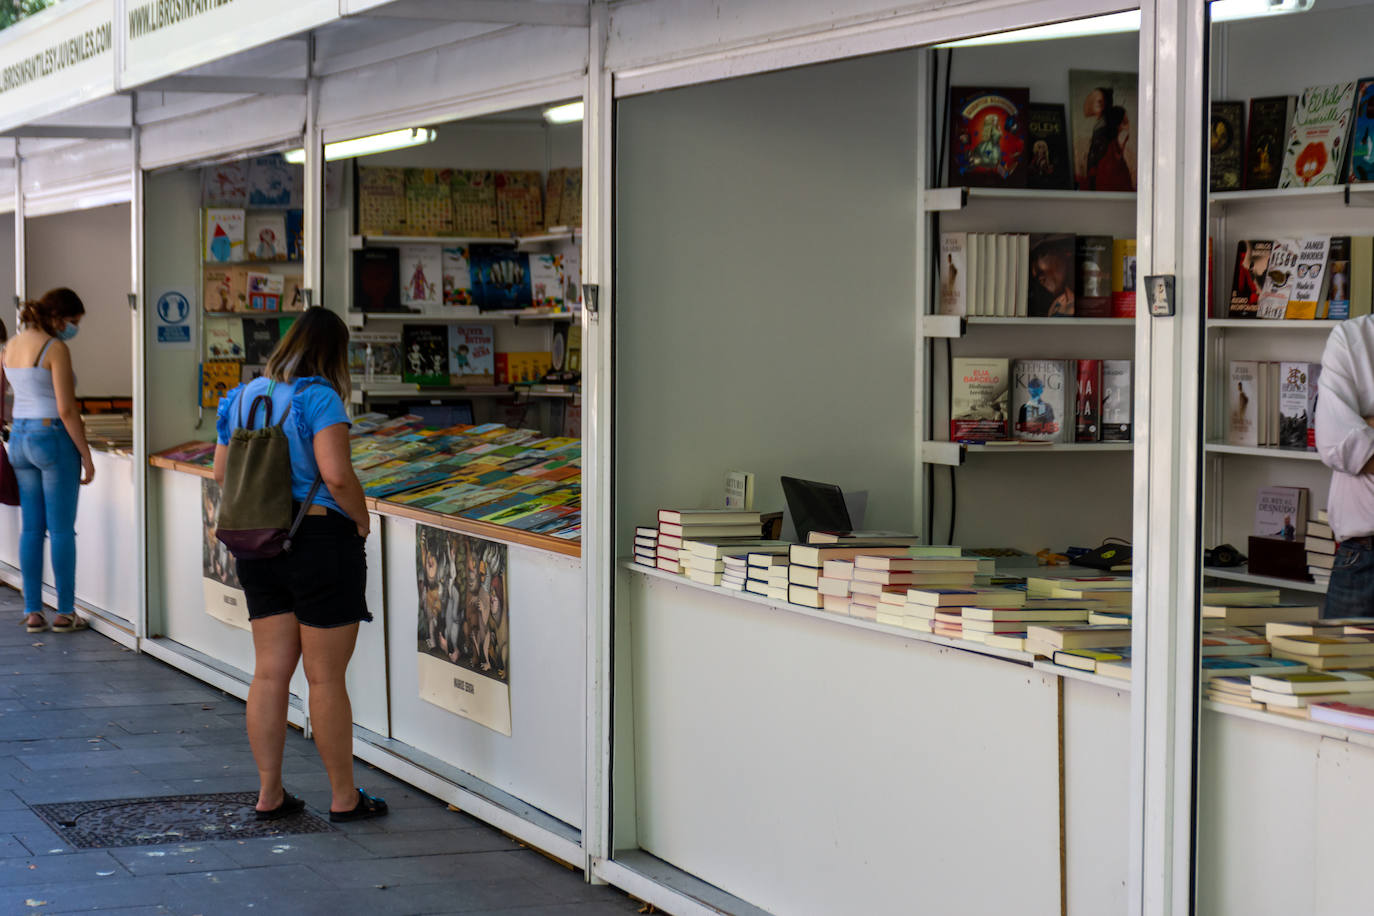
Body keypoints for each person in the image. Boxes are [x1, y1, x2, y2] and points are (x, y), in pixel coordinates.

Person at [213, 308, 387, 822]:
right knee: (326, 678)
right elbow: (335, 475)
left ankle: (270, 793)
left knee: (269, 673)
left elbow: (222, 471)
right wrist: (360, 520)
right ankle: (344, 797)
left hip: (260, 543)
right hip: (318, 541)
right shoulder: (319, 397)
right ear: (332, 353)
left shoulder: (242, 397)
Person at [3, 289, 93, 634]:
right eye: (73, 322)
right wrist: (86, 455)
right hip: (51, 437)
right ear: (57, 318)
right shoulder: (55, 348)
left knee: (31, 528)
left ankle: (32, 612)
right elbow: (67, 409)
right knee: (60, 530)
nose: (73, 329)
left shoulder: (10, 346)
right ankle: (65, 612)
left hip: (20, 439)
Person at [1315, 316, 1374, 617]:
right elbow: (1337, 444)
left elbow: (1359, 445)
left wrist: (1366, 425)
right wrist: (1358, 440)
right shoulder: (1353, 338)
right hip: (1363, 561)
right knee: (1342, 665)